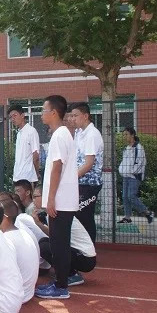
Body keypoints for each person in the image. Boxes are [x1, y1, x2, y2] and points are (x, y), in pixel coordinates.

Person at [34, 95, 79, 300]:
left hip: (61, 200)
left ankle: (61, 286)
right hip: (64, 199)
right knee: (60, 243)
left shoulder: (60, 135)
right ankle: (61, 281)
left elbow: (56, 168)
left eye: (43, 110)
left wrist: (51, 199)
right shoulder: (63, 134)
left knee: (59, 244)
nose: (41, 114)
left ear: (53, 112)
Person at [69, 102, 103, 243]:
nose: (72, 119)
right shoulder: (79, 132)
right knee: (79, 216)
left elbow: (88, 164)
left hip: (90, 184)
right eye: (71, 116)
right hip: (79, 182)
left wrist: (70, 179)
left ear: (85, 116)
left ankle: (90, 250)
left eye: (75, 115)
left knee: (85, 216)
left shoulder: (92, 135)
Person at [0, 199, 39, 303]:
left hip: (15, 297)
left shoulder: (5, 239)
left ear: (4, 217)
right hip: (28, 292)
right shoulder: (22, 232)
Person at [39, 216, 96, 287]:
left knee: (45, 247)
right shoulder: (59, 213)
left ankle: (70, 275)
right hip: (83, 255)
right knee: (44, 241)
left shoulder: (57, 215)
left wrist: (38, 224)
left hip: (85, 258)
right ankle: (69, 272)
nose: (34, 205)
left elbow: (56, 236)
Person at [118, 127, 153, 224]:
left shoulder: (138, 148)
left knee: (131, 196)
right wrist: (123, 170)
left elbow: (140, 162)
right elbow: (125, 161)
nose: (124, 137)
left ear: (132, 135)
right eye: (123, 135)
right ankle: (127, 217)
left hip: (134, 176)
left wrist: (132, 171)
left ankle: (147, 212)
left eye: (126, 134)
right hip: (126, 176)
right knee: (125, 197)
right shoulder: (126, 148)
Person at [9, 104, 41, 186]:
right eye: (11, 117)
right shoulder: (19, 133)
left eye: (15, 115)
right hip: (17, 176)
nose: (13, 119)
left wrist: (36, 173)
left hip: (28, 177)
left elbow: (36, 156)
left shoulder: (31, 131)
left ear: (22, 115)